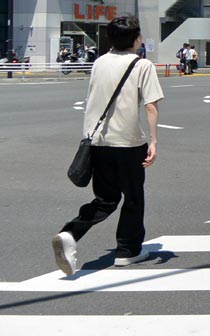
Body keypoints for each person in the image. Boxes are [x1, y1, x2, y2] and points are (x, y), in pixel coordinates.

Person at [52, 15, 164, 276]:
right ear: (136, 39)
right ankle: (128, 250)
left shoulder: (99, 63)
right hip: (128, 142)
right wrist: (154, 141)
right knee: (133, 197)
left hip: (98, 142)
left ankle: (70, 233)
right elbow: (150, 105)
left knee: (106, 199)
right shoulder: (142, 65)